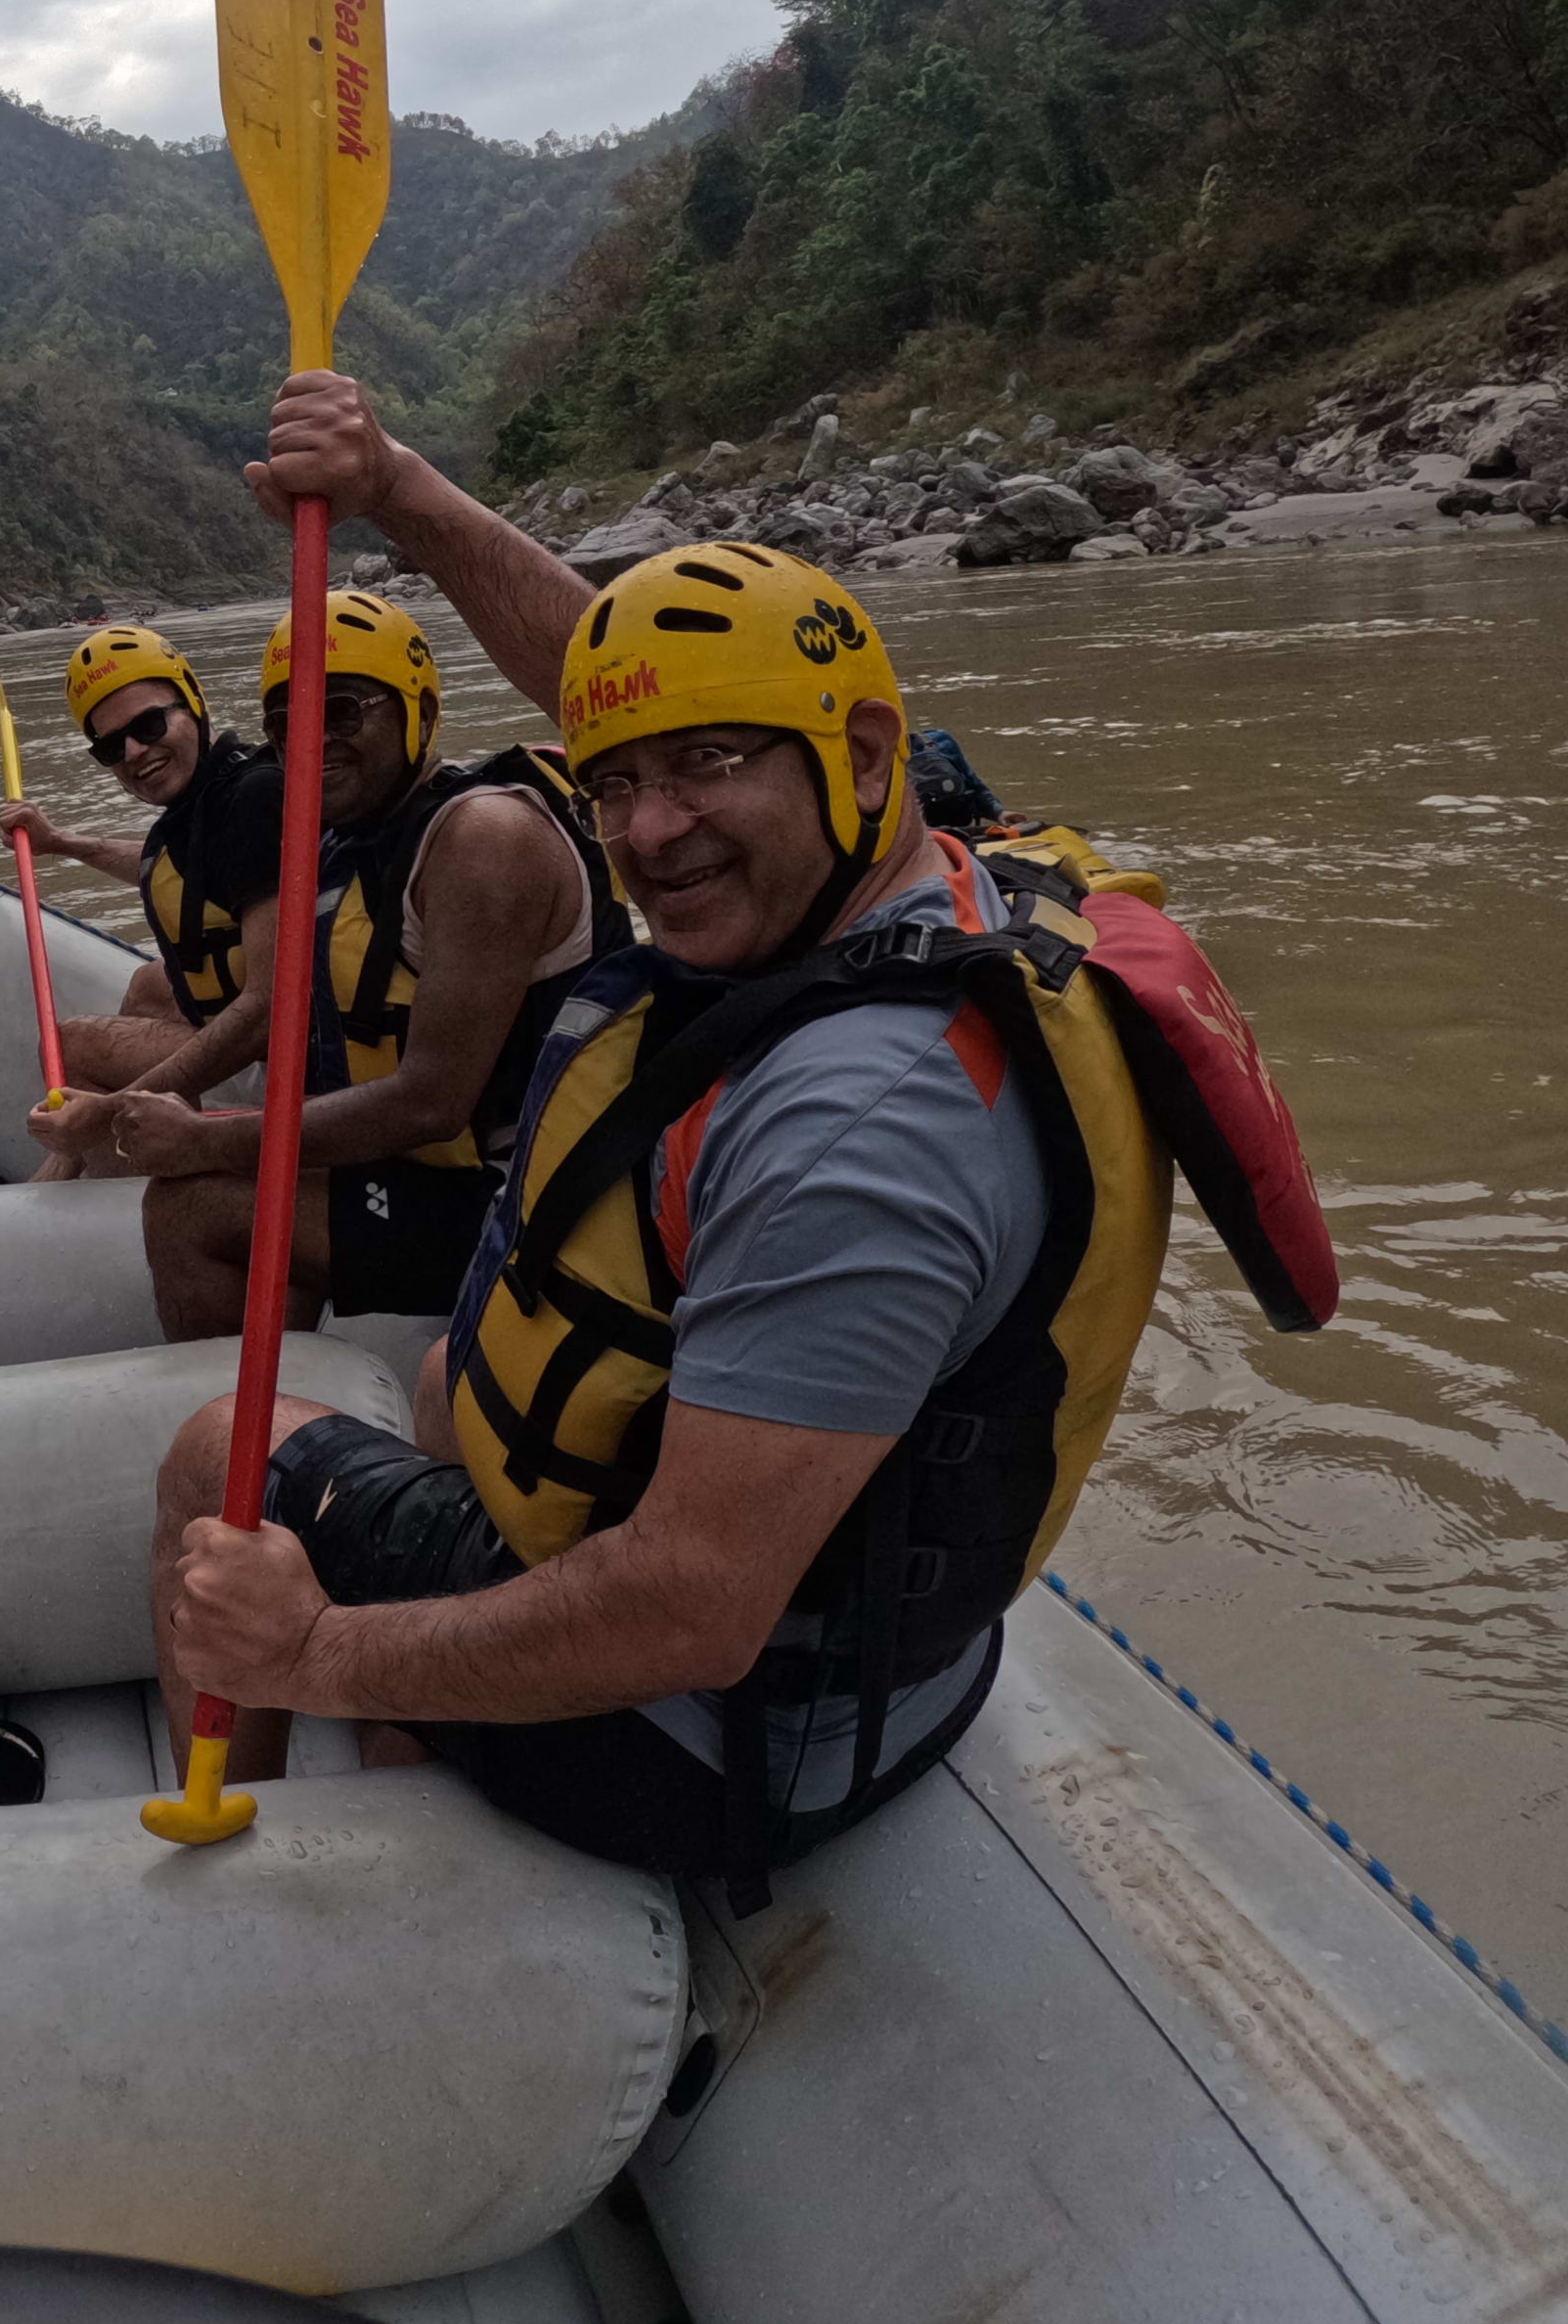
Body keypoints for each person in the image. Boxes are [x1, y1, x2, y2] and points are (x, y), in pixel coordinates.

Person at [150, 374, 1331, 1901]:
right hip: (850, 1647)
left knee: (208, 1463)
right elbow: (625, 678)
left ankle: (226, 1901)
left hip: (720, 1734)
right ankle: (406, 1741)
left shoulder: (861, 1135)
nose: (647, 832)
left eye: (713, 765)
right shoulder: (945, 856)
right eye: (618, 783)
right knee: (452, 1379)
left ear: (853, 756)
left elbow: (687, 1609)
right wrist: (396, 486)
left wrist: (313, 1651)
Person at [34, 589, 624, 1338]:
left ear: (418, 709)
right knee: (155, 996)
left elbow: (429, 1104)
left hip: (527, 1201)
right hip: (430, 1165)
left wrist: (200, 1137)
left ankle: (238, 1429)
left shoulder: (483, 839)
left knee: (192, 1205)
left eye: (340, 712)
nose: (312, 741)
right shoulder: (348, 834)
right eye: (288, 725)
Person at [0, 623, 286, 1095]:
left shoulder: (255, 796)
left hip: (296, 1055)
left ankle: (122, 1146)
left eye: (149, 726)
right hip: (260, 1030)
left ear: (194, 702)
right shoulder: (214, 793)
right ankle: (126, 1146)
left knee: (74, 1046)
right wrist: (61, 842)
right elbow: (183, 871)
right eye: (111, 746)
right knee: (149, 984)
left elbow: (269, 1007)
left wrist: (116, 1106)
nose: (134, 751)